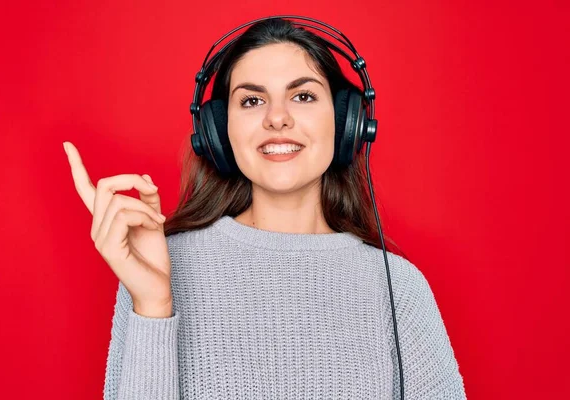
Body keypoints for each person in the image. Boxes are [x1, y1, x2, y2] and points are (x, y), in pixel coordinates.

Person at [64, 17, 466, 400]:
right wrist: (154, 307)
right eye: (252, 100)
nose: (277, 118)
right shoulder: (161, 267)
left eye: (303, 96)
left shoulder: (399, 288)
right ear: (219, 132)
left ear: (348, 124)